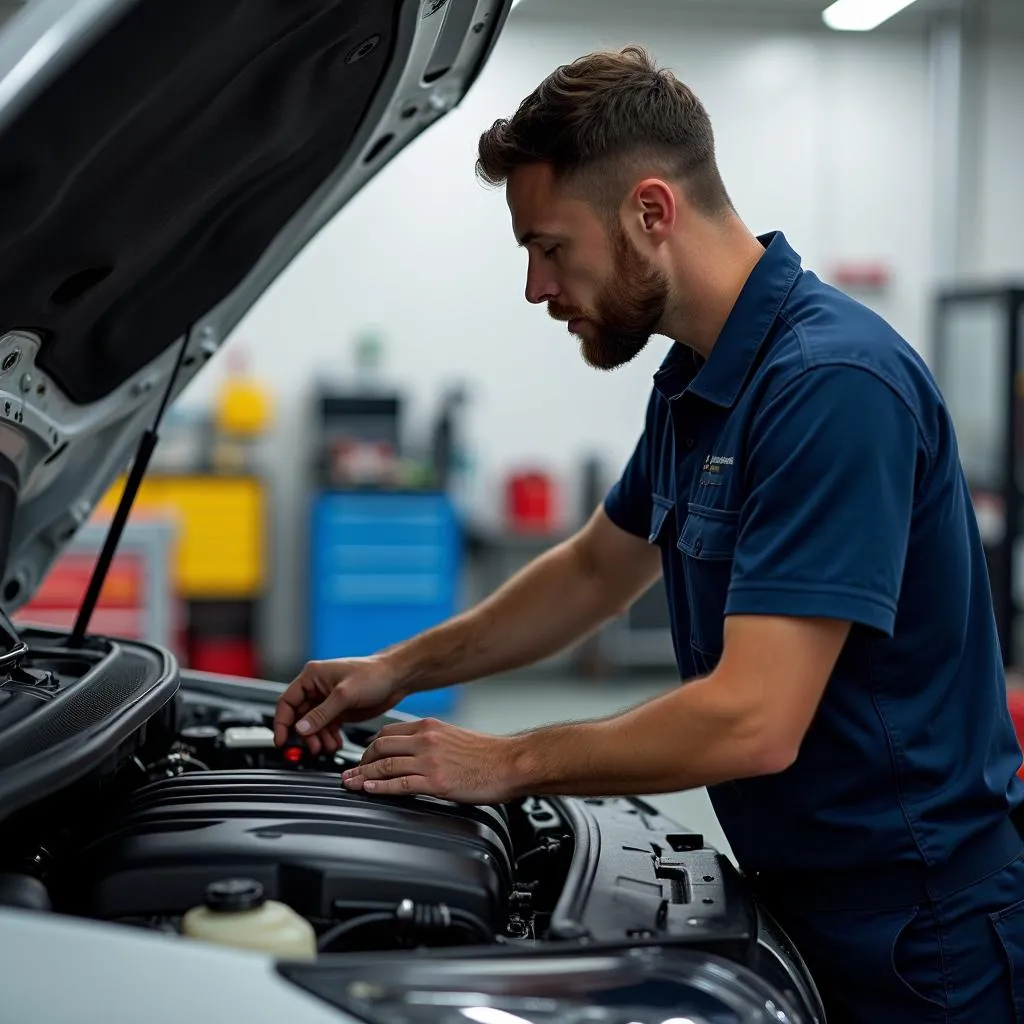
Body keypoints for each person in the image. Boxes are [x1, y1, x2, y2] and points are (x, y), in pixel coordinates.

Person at [274, 46, 1024, 1022]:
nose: (537, 288)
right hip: (805, 897)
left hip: (920, 938)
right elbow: (595, 567)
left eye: (548, 246)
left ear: (651, 213)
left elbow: (753, 718)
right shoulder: (698, 381)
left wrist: (506, 761)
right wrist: (395, 667)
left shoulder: (830, 386)